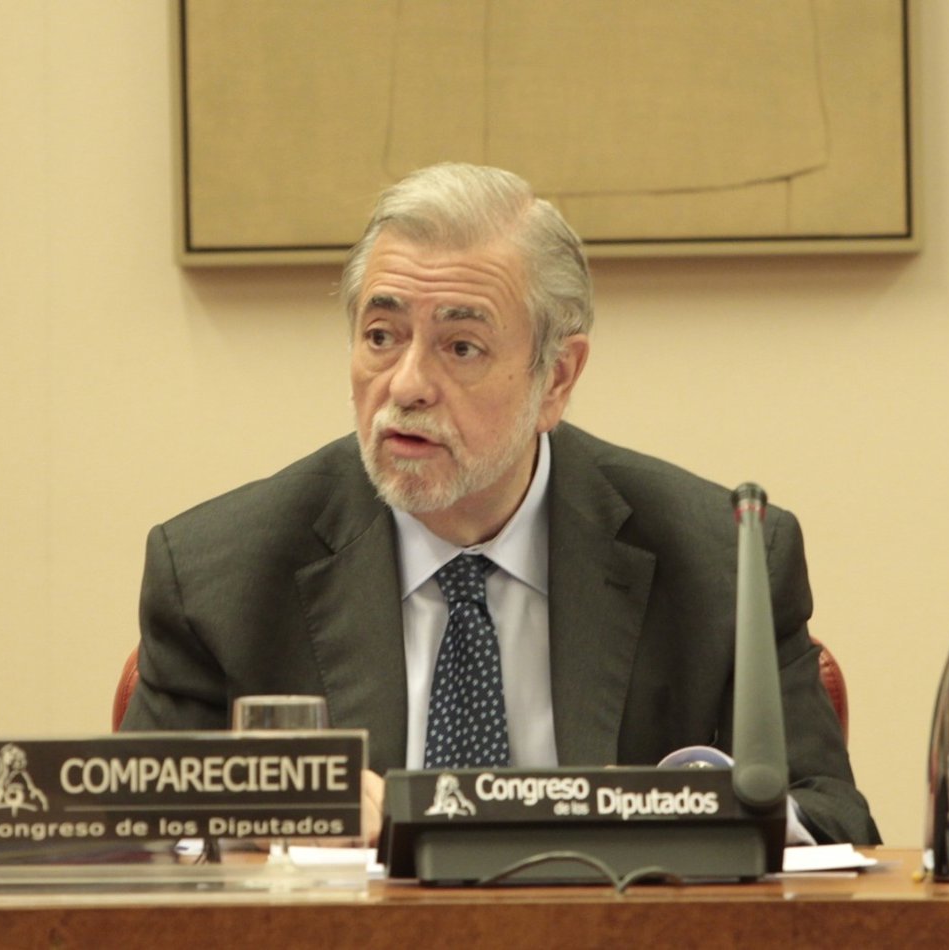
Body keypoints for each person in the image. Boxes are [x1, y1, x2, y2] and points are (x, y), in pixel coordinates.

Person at [121, 162, 879, 846]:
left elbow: (834, 817)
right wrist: (258, 820)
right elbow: (137, 838)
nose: (406, 384)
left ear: (557, 377)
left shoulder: (722, 564)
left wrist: (695, 810)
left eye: (461, 347)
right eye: (381, 336)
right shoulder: (220, 576)